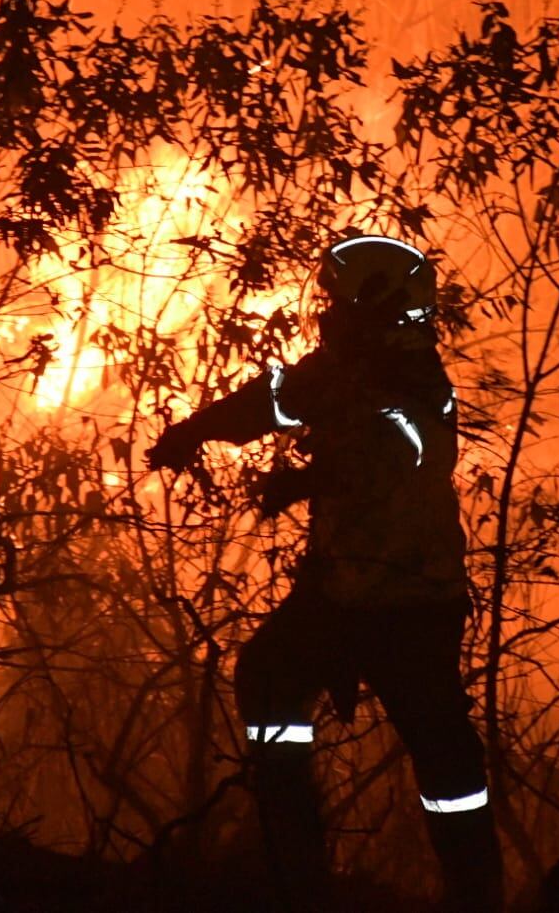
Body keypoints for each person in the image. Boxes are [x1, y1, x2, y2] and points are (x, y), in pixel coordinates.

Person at [147, 233, 503, 911]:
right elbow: (273, 398)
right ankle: (295, 869)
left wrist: (307, 481)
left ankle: (473, 893)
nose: (325, 314)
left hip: (410, 601)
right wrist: (195, 429)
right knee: (268, 681)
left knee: (444, 762)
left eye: (337, 302)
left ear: (377, 307)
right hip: (340, 590)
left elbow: (405, 458)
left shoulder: (415, 384)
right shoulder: (342, 368)